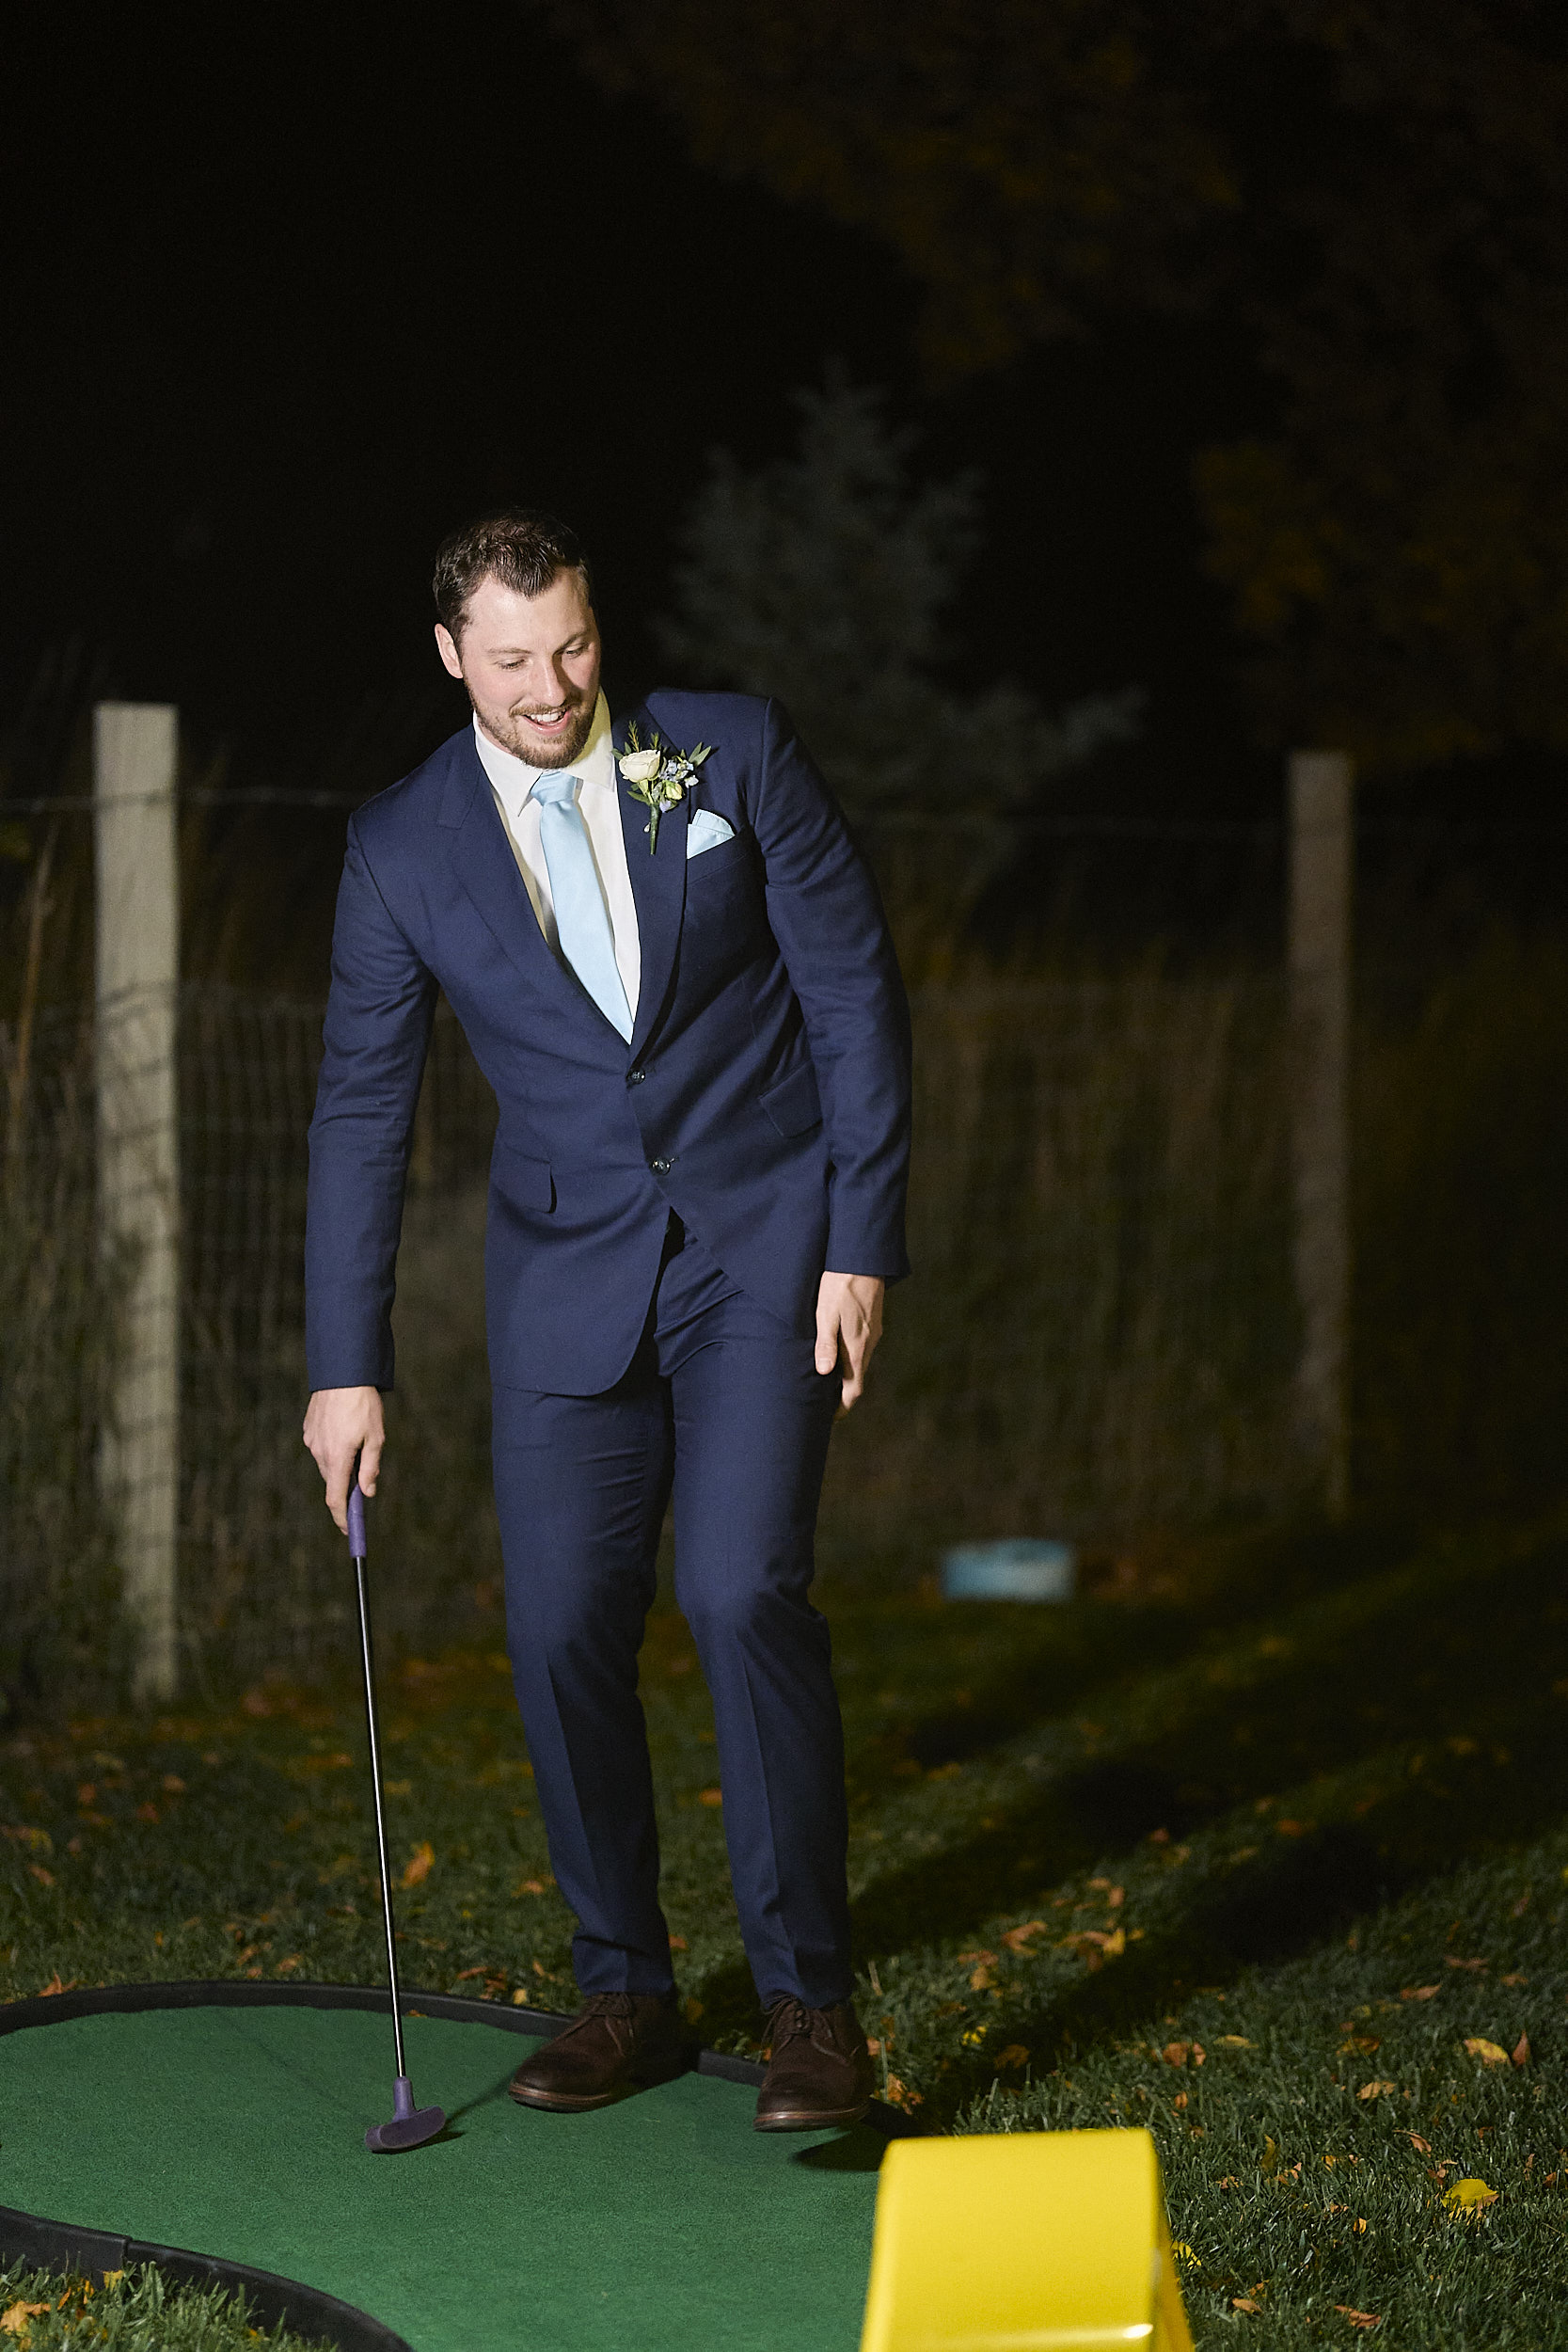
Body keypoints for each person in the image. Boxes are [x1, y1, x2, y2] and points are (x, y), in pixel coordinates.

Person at [302, 509, 911, 2131]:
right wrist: (344, 1367)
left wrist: (862, 1239)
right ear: (452, 655)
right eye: (512, 659)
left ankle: (809, 2008)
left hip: (762, 1248)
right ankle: (625, 1991)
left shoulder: (732, 753)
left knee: (739, 1589)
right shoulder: (399, 845)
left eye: (571, 645)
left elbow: (852, 992)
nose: (551, 687)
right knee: (561, 1625)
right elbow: (361, 1111)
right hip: (565, 1275)